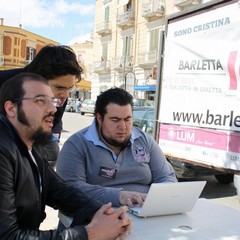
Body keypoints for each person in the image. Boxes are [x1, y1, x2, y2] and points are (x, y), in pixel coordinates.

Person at [0, 73, 132, 240]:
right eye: (41, 100)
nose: (53, 109)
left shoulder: (27, 146)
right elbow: (7, 236)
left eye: (52, 101)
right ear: (11, 108)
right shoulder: (4, 150)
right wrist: (89, 234)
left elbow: (59, 191)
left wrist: (104, 213)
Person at [56, 87, 177, 209]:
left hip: (144, 211)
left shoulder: (144, 140)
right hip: (96, 216)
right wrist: (118, 196)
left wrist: (158, 198)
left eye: (127, 119)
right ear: (99, 118)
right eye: (115, 120)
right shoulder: (77, 144)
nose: (123, 127)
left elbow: (166, 176)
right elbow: (70, 188)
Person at [0, 44, 81, 167]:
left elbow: (47, 128)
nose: (65, 96)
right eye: (59, 87)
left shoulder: (60, 97)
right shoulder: (4, 81)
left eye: (70, 88)